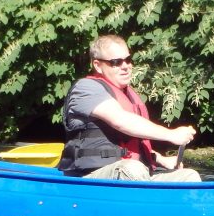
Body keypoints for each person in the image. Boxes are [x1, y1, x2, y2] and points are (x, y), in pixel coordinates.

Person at [58, 34, 201, 181]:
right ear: (97, 65)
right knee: (131, 167)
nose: (125, 66)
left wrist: (160, 159)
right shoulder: (85, 89)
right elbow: (120, 120)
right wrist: (171, 135)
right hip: (89, 178)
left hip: (132, 175)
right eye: (116, 62)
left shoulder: (128, 95)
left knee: (189, 176)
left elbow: (130, 145)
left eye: (128, 60)